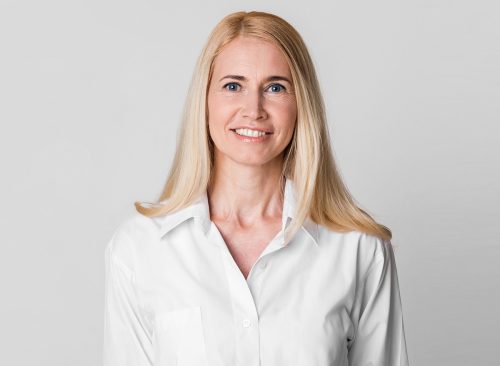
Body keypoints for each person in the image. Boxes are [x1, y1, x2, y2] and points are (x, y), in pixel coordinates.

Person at [103, 10, 409, 366]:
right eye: (233, 86)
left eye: (275, 87)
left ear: (301, 106)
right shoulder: (139, 249)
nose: (254, 109)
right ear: (204, 102)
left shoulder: (358, 250)